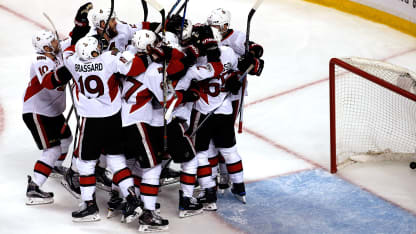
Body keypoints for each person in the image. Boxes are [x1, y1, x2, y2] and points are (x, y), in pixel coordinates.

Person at [63, 35, 147, 222]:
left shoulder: (73, 62)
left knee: (86, 163)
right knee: (116, 160)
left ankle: (89, 206)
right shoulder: (109, 58)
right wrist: (143, 56)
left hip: (90, 120)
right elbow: (134, 68)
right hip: (112, 118)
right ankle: (132, 199)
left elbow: (67, 50)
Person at [206, 8, 264, 197]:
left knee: (224, 137)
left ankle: (224, 175)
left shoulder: (236, 38)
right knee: (213, 136)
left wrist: (251, 55)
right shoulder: (210, 37)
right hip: (212, 95)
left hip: (232, 95)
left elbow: (256, 50)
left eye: (215, 25)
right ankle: (219, 175)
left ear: (224, 25)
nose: (212, 28)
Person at [23, 29, 73, 205]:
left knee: (67, 138)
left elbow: (74, 38)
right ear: (45, 47)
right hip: (38, 112)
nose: (56, 43)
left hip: (52, 111)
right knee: (53, 150)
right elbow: (50, 82)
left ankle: (53, 167)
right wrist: (70, 68)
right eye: (52, 42)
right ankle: (34, 187)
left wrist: (80, 22)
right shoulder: (40, 60)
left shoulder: (57, 52)